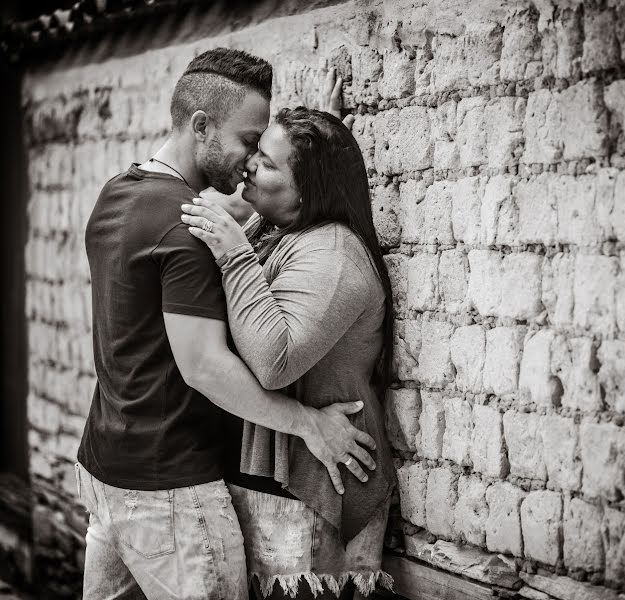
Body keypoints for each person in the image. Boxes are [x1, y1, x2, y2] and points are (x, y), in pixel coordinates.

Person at [75, 48, 376, 600]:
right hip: (170, 491)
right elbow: (207, 368)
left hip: (102, 470)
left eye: (264, 149)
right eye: (249, 141)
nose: (251, 159)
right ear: (201, 126)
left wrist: (322, 152)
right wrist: (310, 423)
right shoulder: (188, 226)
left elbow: (261, 208)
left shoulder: (119, 192)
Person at [180, 107, 397, 600]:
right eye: (255, 151)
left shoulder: (335, 252)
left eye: (268, 163)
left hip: (317, 490)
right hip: (268, 476)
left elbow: (274, 362)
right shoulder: (278, 229)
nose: (251, 165)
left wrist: (234, 257)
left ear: (307, 191)